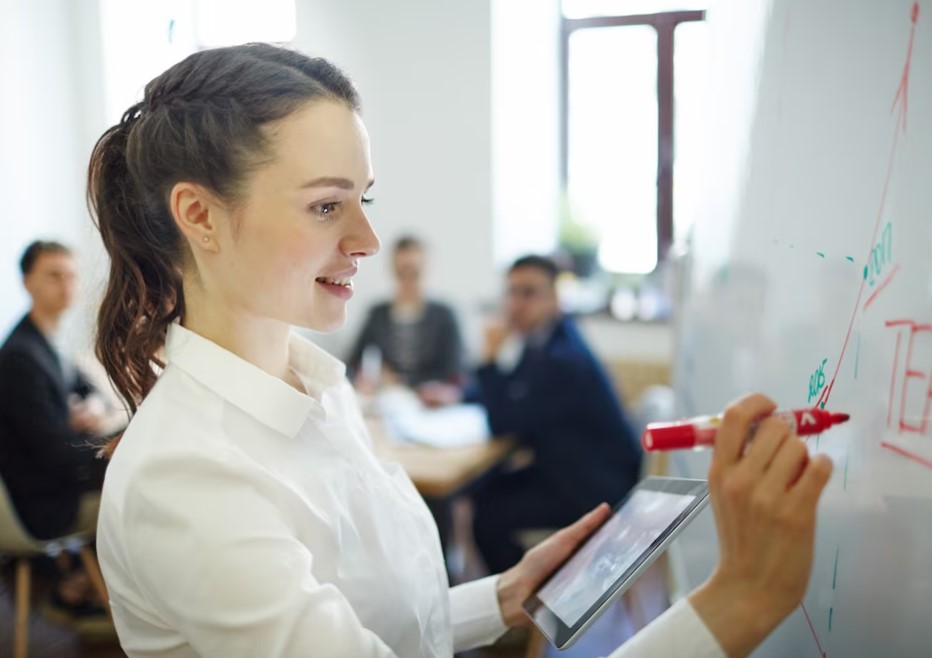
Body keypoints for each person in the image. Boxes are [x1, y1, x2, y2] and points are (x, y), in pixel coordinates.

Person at [88, 43, 833, 658]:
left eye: (362, 200)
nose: (367, 242)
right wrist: (736, 604)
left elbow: (372, 620)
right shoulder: (184, 475)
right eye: (325, 205)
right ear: (199, 215)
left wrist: (500, 597)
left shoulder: (320, 390)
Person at [470, 255, 643, 573]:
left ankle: (517, 607)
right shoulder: (548, 339)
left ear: (554, 300)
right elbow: (515, 391)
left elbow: (503, 422)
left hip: (593, 488)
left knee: (488, 513)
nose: (516, 304)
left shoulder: (563, 359)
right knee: (482, 486)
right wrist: (461, 393)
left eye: (529, 293)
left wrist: (489, 359)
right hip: (571, 470)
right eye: (511, 293)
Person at [0, 240, 109, 541]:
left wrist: (95, 407)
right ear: (27, 282)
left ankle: (79, 579)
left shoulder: (49, 343)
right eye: (54, 276)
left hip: (58, 482)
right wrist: (115, 445)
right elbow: (56, 454)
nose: (66, 285)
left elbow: (88, 389)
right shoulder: (21, 357)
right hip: (44, 505)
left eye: (72, 276)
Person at [348, 236, 464, 406]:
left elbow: (455, 372)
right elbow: (353, 362)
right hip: (388, 399)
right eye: (402, 272)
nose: (408, 280)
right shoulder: (377, 314)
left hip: (430, 403)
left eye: (414, 272)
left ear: (426, 269)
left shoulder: (445, 315)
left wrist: (401, 381)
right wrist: (363, 380)